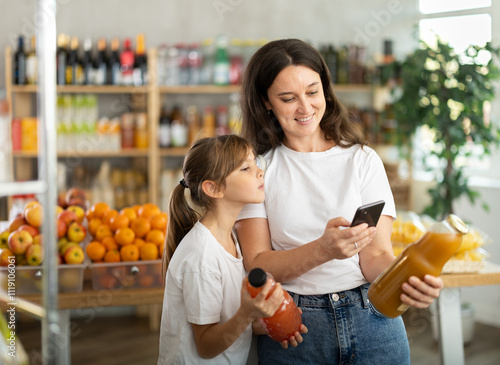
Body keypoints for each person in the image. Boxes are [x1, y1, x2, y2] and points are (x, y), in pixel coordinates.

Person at [235, 38, 444, 364]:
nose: (305, 107)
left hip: (372, 317)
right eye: (288, 98)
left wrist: (408, 280)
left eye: (313, 91)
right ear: (266, 103)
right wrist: (323, 250)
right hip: (295, 328)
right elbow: (257, 263)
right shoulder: (257, 170)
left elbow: (375, 256)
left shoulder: (362, 160)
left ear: (326, 90)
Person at [158, 135, 305, 365]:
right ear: (213, 188)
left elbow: (230, 322)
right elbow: (206, 346)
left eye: (255, 164)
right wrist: (247, 313)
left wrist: (271, 320)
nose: (259, 172)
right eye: (246, 168)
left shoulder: (231, 239)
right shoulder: (201, 256)